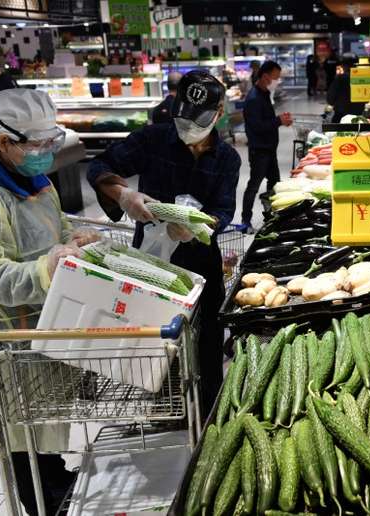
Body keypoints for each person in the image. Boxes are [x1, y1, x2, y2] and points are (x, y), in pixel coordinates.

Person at [0, 89, 98, 515]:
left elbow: (56, 229)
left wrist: (72, 241)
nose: (46, 152)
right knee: (24, 446)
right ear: (4, 141)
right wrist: (44, 270)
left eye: (52, 141)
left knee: (45, 436)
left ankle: (57, 484)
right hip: (12, 339)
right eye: (36, 144)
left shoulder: (36, 180)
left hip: (46, 328)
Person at [87, 71, 240, 411]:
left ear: (218, 113)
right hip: (151, 262)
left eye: (198, 120)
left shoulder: (228, 158)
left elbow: (224, 208)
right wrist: (123, 194)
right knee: (157, 339)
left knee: (208, 340)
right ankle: (164, 406)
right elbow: (99, 165)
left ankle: (209, 407)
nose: (188, 127)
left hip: (201, 264)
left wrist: (200, 227)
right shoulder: (151, 139)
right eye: (182, 117)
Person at [239, 61, 292, 233]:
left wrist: (279, 119)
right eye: (276, 77)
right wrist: (278, 121)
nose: (278, 81)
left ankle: (271, 217)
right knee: (254, 185)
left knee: (274, 183)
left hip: (269, 149)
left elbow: (265, 120)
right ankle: (245, 220)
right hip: (259, 150)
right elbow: (257, 127)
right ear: (265, 76)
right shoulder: (254, 98)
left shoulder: (264, 94)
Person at [327, 53, 366, 123]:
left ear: (344, 65)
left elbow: (330, 99)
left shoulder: (340, 78)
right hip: (358, 117)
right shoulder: (363, 78)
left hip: (341, 116)